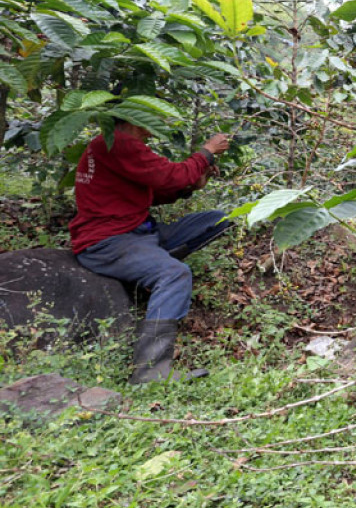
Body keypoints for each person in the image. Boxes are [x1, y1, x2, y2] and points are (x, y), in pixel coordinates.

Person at [69, 119, 233, 385]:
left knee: (217, 219)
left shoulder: (120, 145)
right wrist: (206, 152)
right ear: (133, 117)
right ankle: (150, 369)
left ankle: (150, 270)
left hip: (140, 233)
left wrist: (192, 185)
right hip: (108, 241)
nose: (156, 121)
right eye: (150, 115)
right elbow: (170, 175)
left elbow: (153, 190)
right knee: (175, 274)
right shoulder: (116, 144)